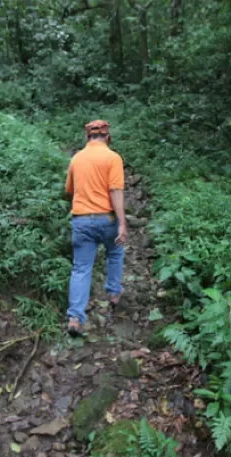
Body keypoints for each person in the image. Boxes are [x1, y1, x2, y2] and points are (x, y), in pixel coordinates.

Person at [64, 120, 127, 336]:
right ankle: (113, 293)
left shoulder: (76, 158)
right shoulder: (113, 158)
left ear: (87, 137)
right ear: (107, 136)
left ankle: (75, 317)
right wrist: (122, 223)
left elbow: (69, 190)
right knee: (116, 252)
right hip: (107, 219)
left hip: (81, 221)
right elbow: (116, 191)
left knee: (81, 268)